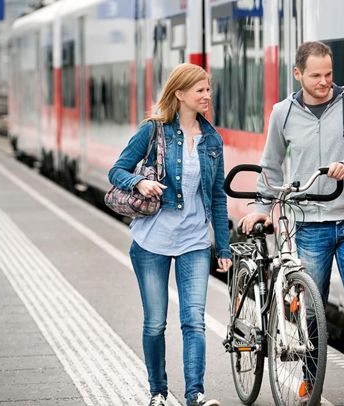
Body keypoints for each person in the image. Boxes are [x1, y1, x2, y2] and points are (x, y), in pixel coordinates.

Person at [239, 41, 344, 405]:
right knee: (313, 306)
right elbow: (271, 166)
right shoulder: (282, 113)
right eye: (316, 76)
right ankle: (310, 383)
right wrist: (261, 206)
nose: (325, 81)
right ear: (298, 74)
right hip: (309, 222)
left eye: (329, 74)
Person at [107, 63, 231, 406]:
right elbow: (116, 170)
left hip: (193, 241)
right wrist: (139, 181)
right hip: (152, 242)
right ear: (179, 94)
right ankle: (158, 392)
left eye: (208, 89)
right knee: (156, 323)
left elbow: (218, 197)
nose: (207, 96)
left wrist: (223, 245)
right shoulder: (152, 130)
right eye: (200, 90)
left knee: (194, 321)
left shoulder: (212, 140)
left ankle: (195, 395)